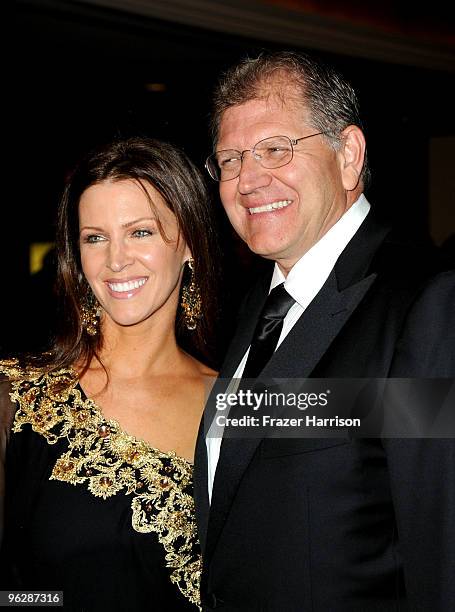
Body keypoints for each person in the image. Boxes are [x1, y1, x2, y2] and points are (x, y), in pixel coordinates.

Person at [194, 51, 455, 610]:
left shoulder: (425, 305)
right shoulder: (255, 311)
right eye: (231, 159)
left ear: (349, 156)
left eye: (275, 150)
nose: (249, 180)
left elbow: (442, 548)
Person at [0, 136, 219, 610]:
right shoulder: (17, 396)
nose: (115, 260)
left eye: (140, 232)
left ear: (189, 244)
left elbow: (405, 417)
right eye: (94, 238)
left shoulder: (236, 402)